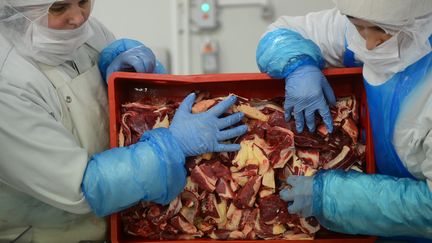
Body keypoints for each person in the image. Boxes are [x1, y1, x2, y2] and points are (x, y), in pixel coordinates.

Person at [0, 0, 247, 242]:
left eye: (84, 0)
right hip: (50, 231)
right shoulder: (8, 84)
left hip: (123, 216)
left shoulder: (85, 30)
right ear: (20, 10)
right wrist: (172, 146)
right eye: (58, 7)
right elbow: (81, 189)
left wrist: (118, 70)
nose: (78, 17)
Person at [256, 0, 432, 241]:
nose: (368, 44)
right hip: (363, 217)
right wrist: (298, 65)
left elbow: (428, 209)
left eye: (384, 31)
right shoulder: (359, 20)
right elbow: (279, 33)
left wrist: (329, 197)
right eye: (358, 26)